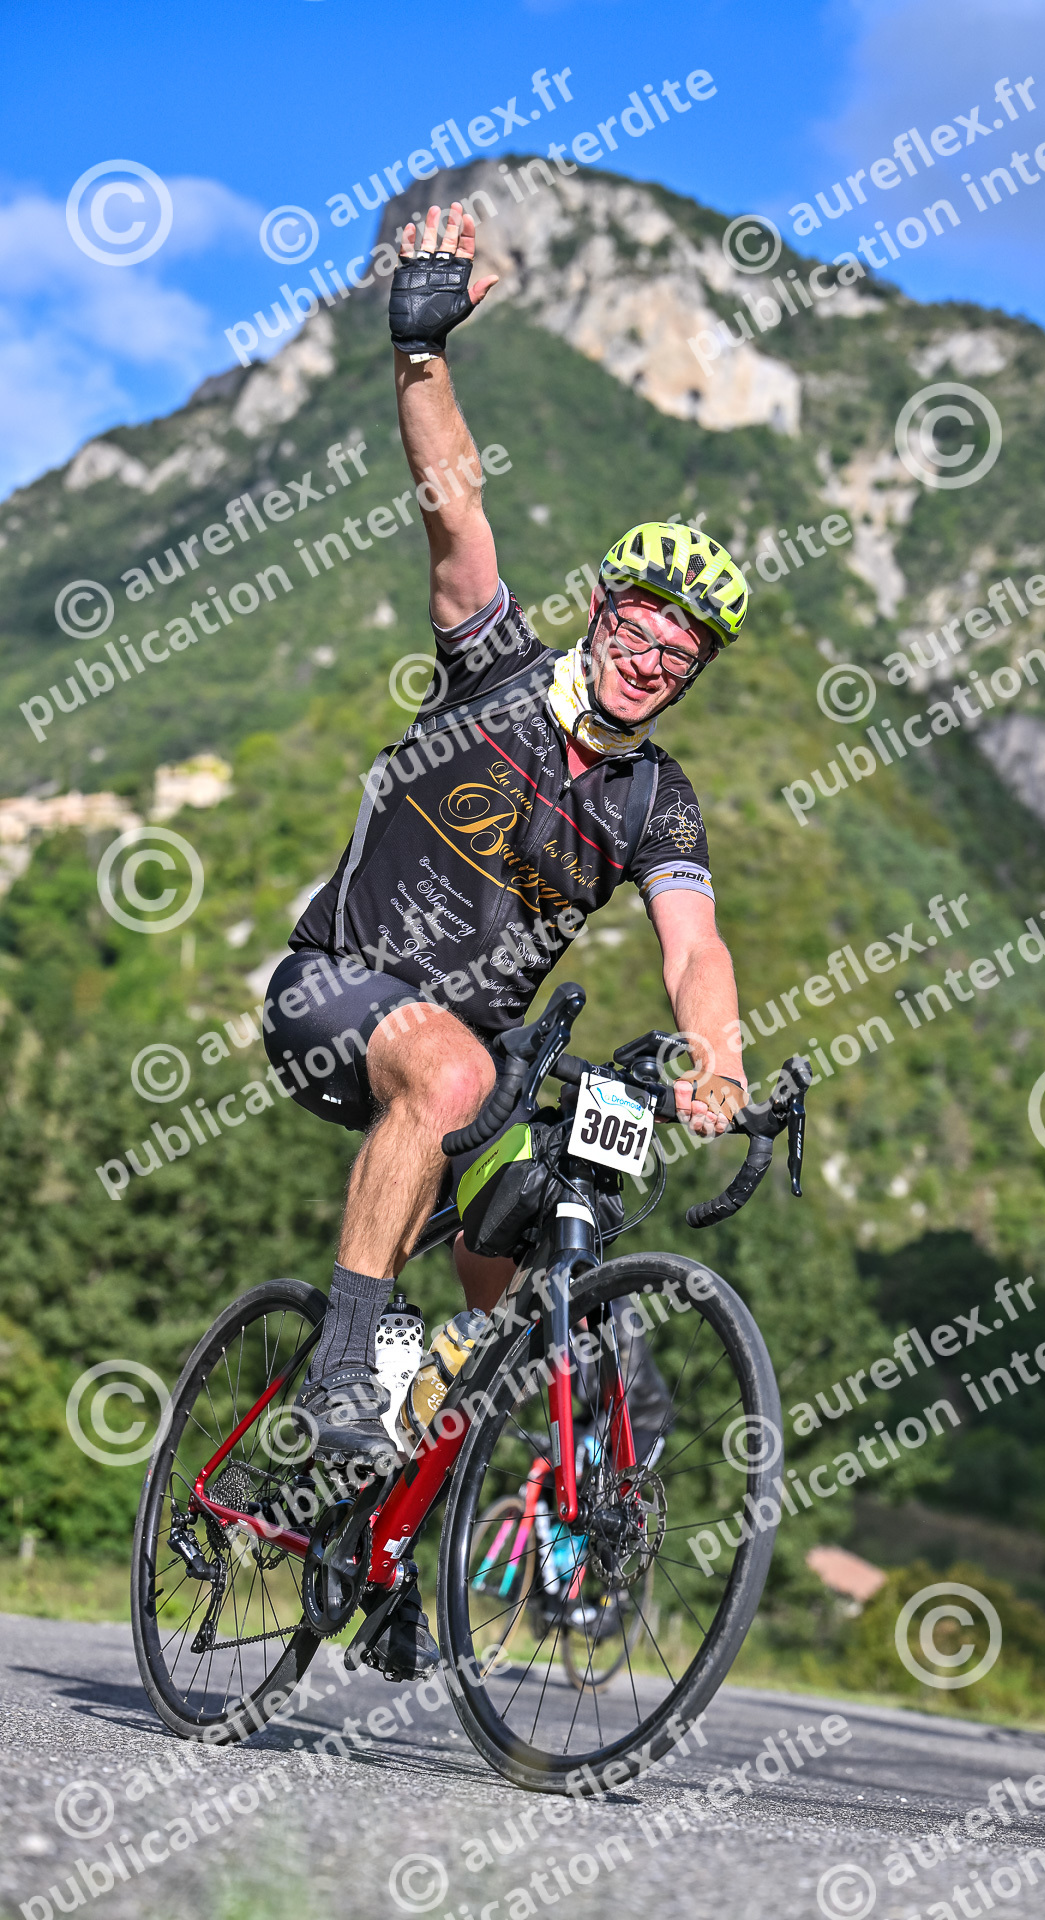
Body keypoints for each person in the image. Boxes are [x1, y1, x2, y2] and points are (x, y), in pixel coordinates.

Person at [260, 202, 753, 1676]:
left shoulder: (654, 798)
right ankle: (341, 1362)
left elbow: (694, 947)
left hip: (472, 1059)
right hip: (335, 991)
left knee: (526, 1284)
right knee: (458, 1075)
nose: (652, 658)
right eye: (641, 626)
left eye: (681, 652)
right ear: (602, 610)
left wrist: (718, 1057)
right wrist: (420, 352)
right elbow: (456, 513)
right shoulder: (497, 667)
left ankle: (383, 1537)